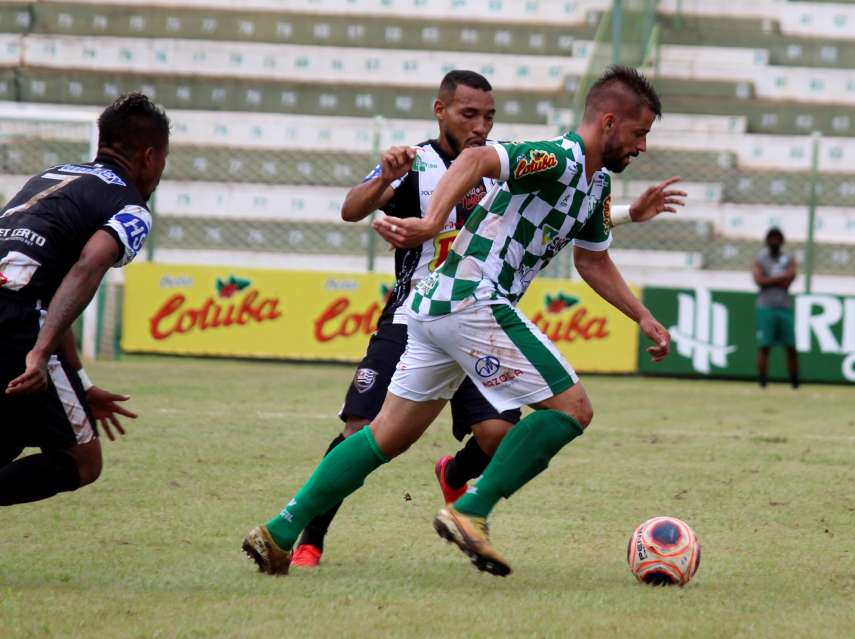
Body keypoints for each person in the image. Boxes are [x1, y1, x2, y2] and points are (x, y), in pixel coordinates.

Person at [242, 65, 686, 577]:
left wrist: (643, 316)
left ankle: (278, 531)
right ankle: (471, 509)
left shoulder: (595, 184)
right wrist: (432, 222)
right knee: (573, 409)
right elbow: (475, 159)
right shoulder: (560, 157)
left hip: (437, 305)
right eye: (640, 133)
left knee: (384, 436)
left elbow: (592, 260)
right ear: (608, 122)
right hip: (473, 297)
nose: (644, 146)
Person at [289, 70, 520, 569]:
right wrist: (384, 178)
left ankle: (454, 471)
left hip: (477, 316)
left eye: (489, 116)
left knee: (501, 435)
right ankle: (310, 534)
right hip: (411, 315)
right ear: (440, 111)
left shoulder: (502, 165)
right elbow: (352, 209)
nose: (481, 126)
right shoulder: (413, 163)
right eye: (468, 114)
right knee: (359, 429)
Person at [0, 93, 168, 505]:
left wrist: (79, 380)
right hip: (17, 319)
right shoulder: (130, 206)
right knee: (83, 460)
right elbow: (87, 268)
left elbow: (54, 288)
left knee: (12, 432)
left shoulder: (50, 177)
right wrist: (39, 353)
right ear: (149, 156)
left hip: (17, 304)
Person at [752, 227, 799, 388]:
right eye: (771, 238)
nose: (774, 242)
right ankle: (763, 382)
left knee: (791, 347)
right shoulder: (760, 259)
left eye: (777, 238)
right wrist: (781, 278)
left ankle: (795, 382)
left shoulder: (788, 258)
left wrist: (770, 279)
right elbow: (759, 280)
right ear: (767, 241)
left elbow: (791, 278)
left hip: (784, 307)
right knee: (764, 346)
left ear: (782, 241)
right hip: (765, 307)